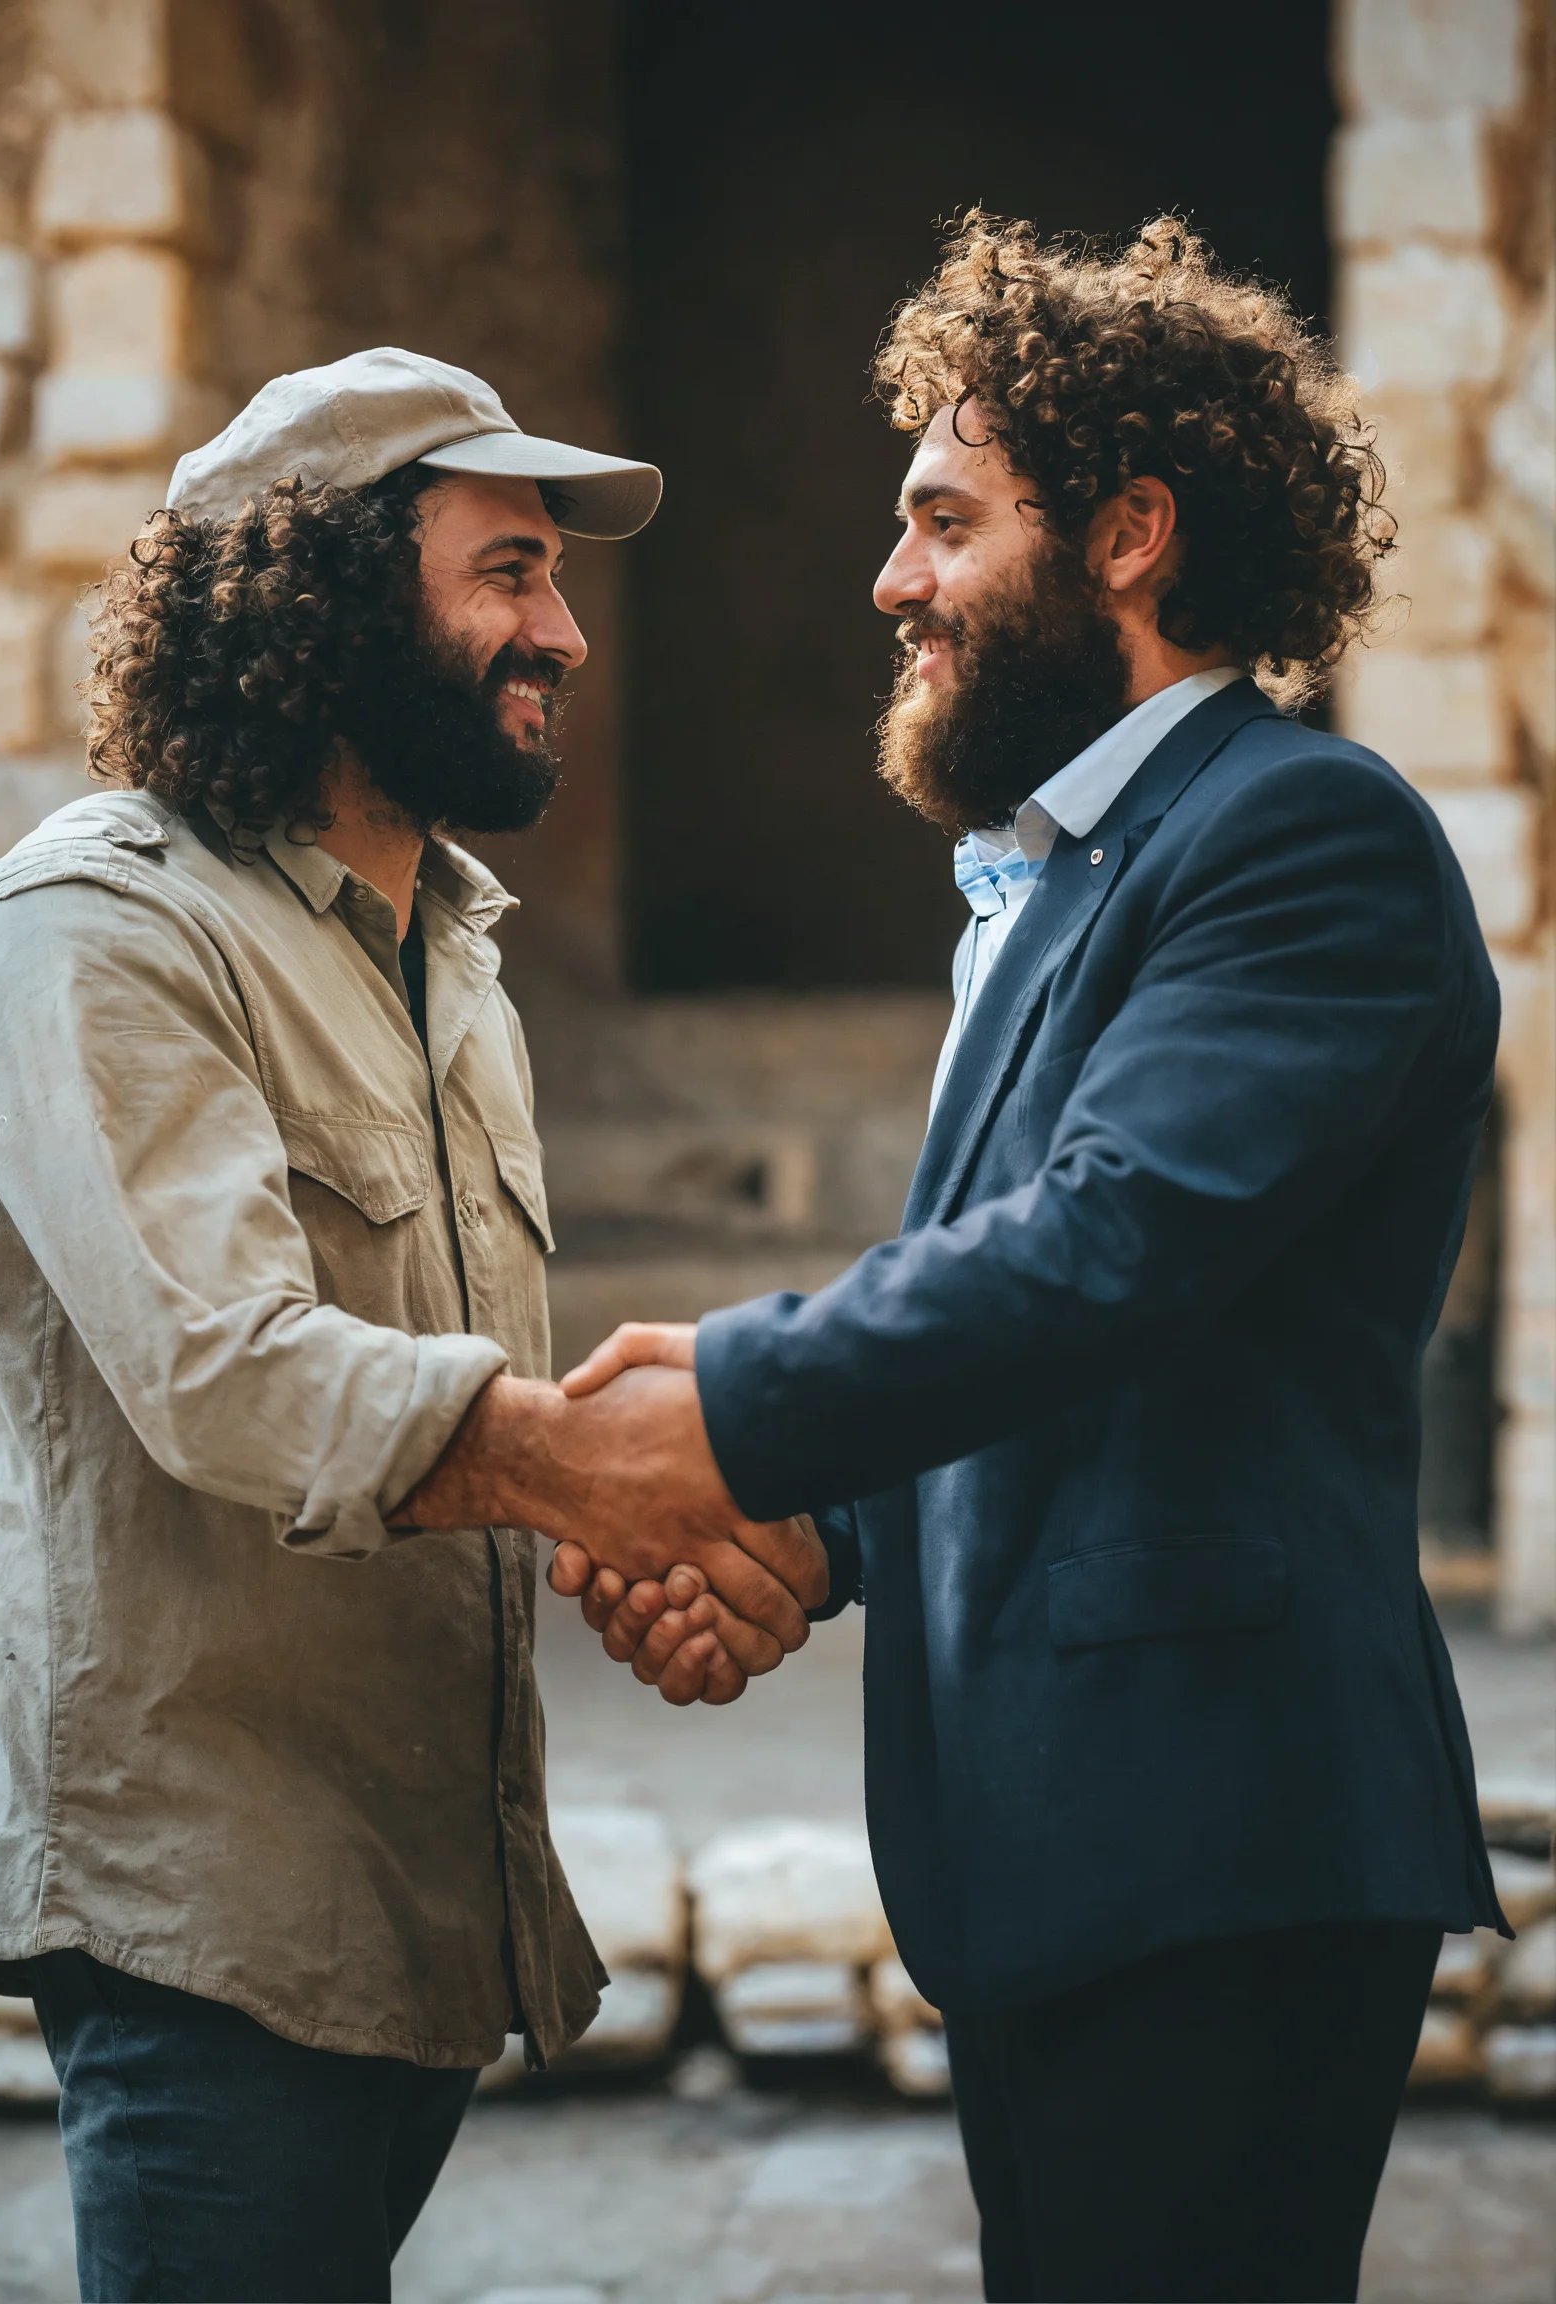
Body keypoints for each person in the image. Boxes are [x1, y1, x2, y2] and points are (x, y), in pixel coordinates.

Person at [538, 219, 1512, 2302]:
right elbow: (1079, 1358)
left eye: (944, 524)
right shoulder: (1069, 878)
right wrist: (810, 1551)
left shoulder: (1299, 837)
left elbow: (1109, 1251)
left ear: (1131, 532)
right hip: (1075, 1849)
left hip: (1217, 1841)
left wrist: (718, 1415)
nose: (893, 583)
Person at [0, 345, 821, 2304]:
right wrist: (631, 1479)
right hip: (204, 1930)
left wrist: (653, 1525)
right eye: (505, 570)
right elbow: (228, 1371)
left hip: (410, 1906)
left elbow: (465, 1418)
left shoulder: (448, 950)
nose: (562, 630)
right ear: (318, 588)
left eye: (554, 581)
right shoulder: (94, 930)